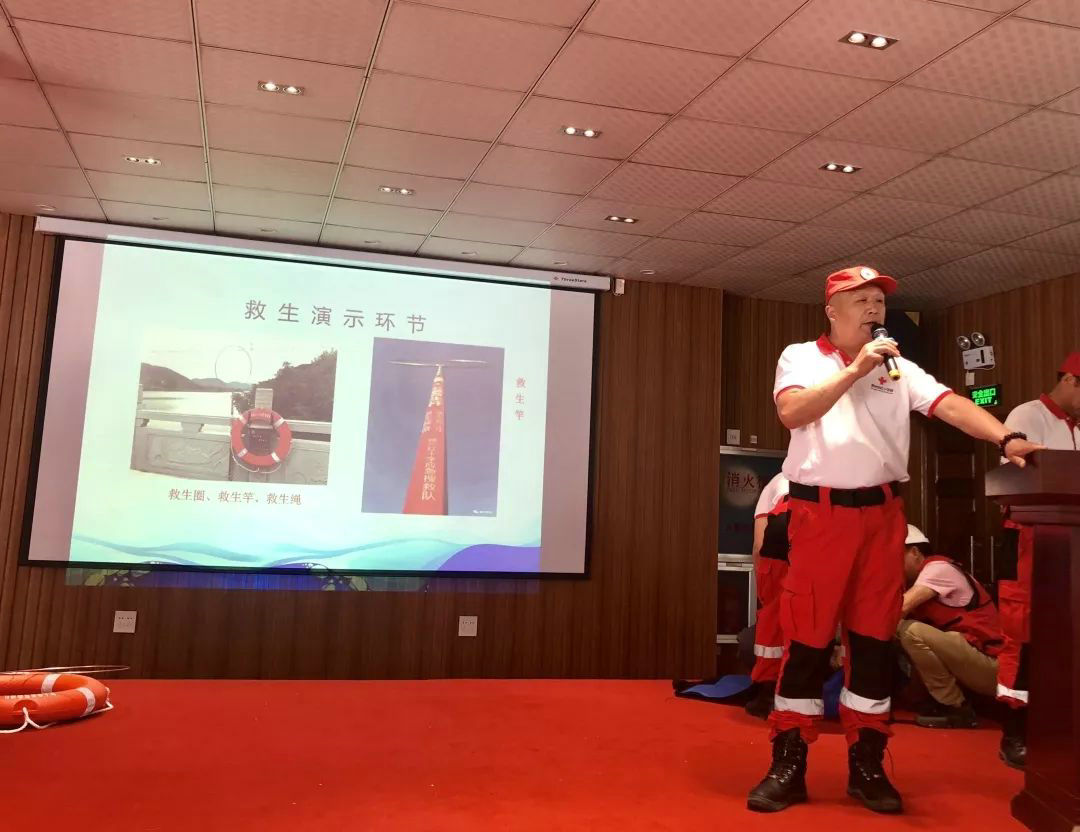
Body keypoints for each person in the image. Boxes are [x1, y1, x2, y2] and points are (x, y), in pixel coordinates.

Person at [746, 265, 1042, 815]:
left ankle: (867, 763)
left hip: (883, 519)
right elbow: (793, 412)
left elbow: (950, 404)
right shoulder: (801, 357)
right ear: (832, 310)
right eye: (861, 299)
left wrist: (1008, 437)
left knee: (874, 643)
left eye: (879, 301)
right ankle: (788, 762)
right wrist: (856, 368)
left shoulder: (899, 367)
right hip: (819, 516)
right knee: (807, 641)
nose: (874, 309)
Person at [994, 351, 1080, 768]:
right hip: (1030, 539)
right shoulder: (1026, 415)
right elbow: (1014, 478)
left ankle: (1061, 729)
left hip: (1071, 543)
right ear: (1071, 380)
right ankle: (1016, 730)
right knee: (1023, 634)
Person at [897, 524, 1003, 729]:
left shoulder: (938, 569)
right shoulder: (919, 579)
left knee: (910, 630)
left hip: (993, 666)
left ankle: (956, 707)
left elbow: (899, 609)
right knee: (901, 631)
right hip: (974, 661)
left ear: (915, 552)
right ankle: (936, 700)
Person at [745, 472, 790, 718]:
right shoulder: (831, 474)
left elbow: (759, 545)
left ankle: (767, 694)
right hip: (826, 530)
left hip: (782, 533)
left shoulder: (776, 483)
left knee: (773, 618)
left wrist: (764, 588)